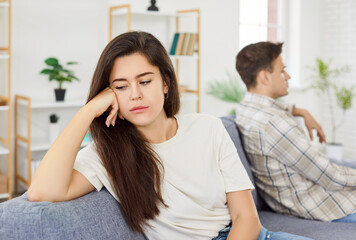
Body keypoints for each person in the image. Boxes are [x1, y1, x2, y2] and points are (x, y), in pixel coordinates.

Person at [27, 32, 310, 239]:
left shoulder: (208, 128)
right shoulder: (108, 154)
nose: (135, 94)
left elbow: (246, 219)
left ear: (165, 83)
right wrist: (88, 111)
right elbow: (42, 191)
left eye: (145, 81)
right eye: (121, 87)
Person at [235, 41, 356, 224]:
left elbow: (270, 107)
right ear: (264, 77)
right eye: (282, 71)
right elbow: (332, 177)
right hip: (323, 205)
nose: (288, 76)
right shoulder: (276, 124)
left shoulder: (245, 108)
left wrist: (301, 111)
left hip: (297, 199)